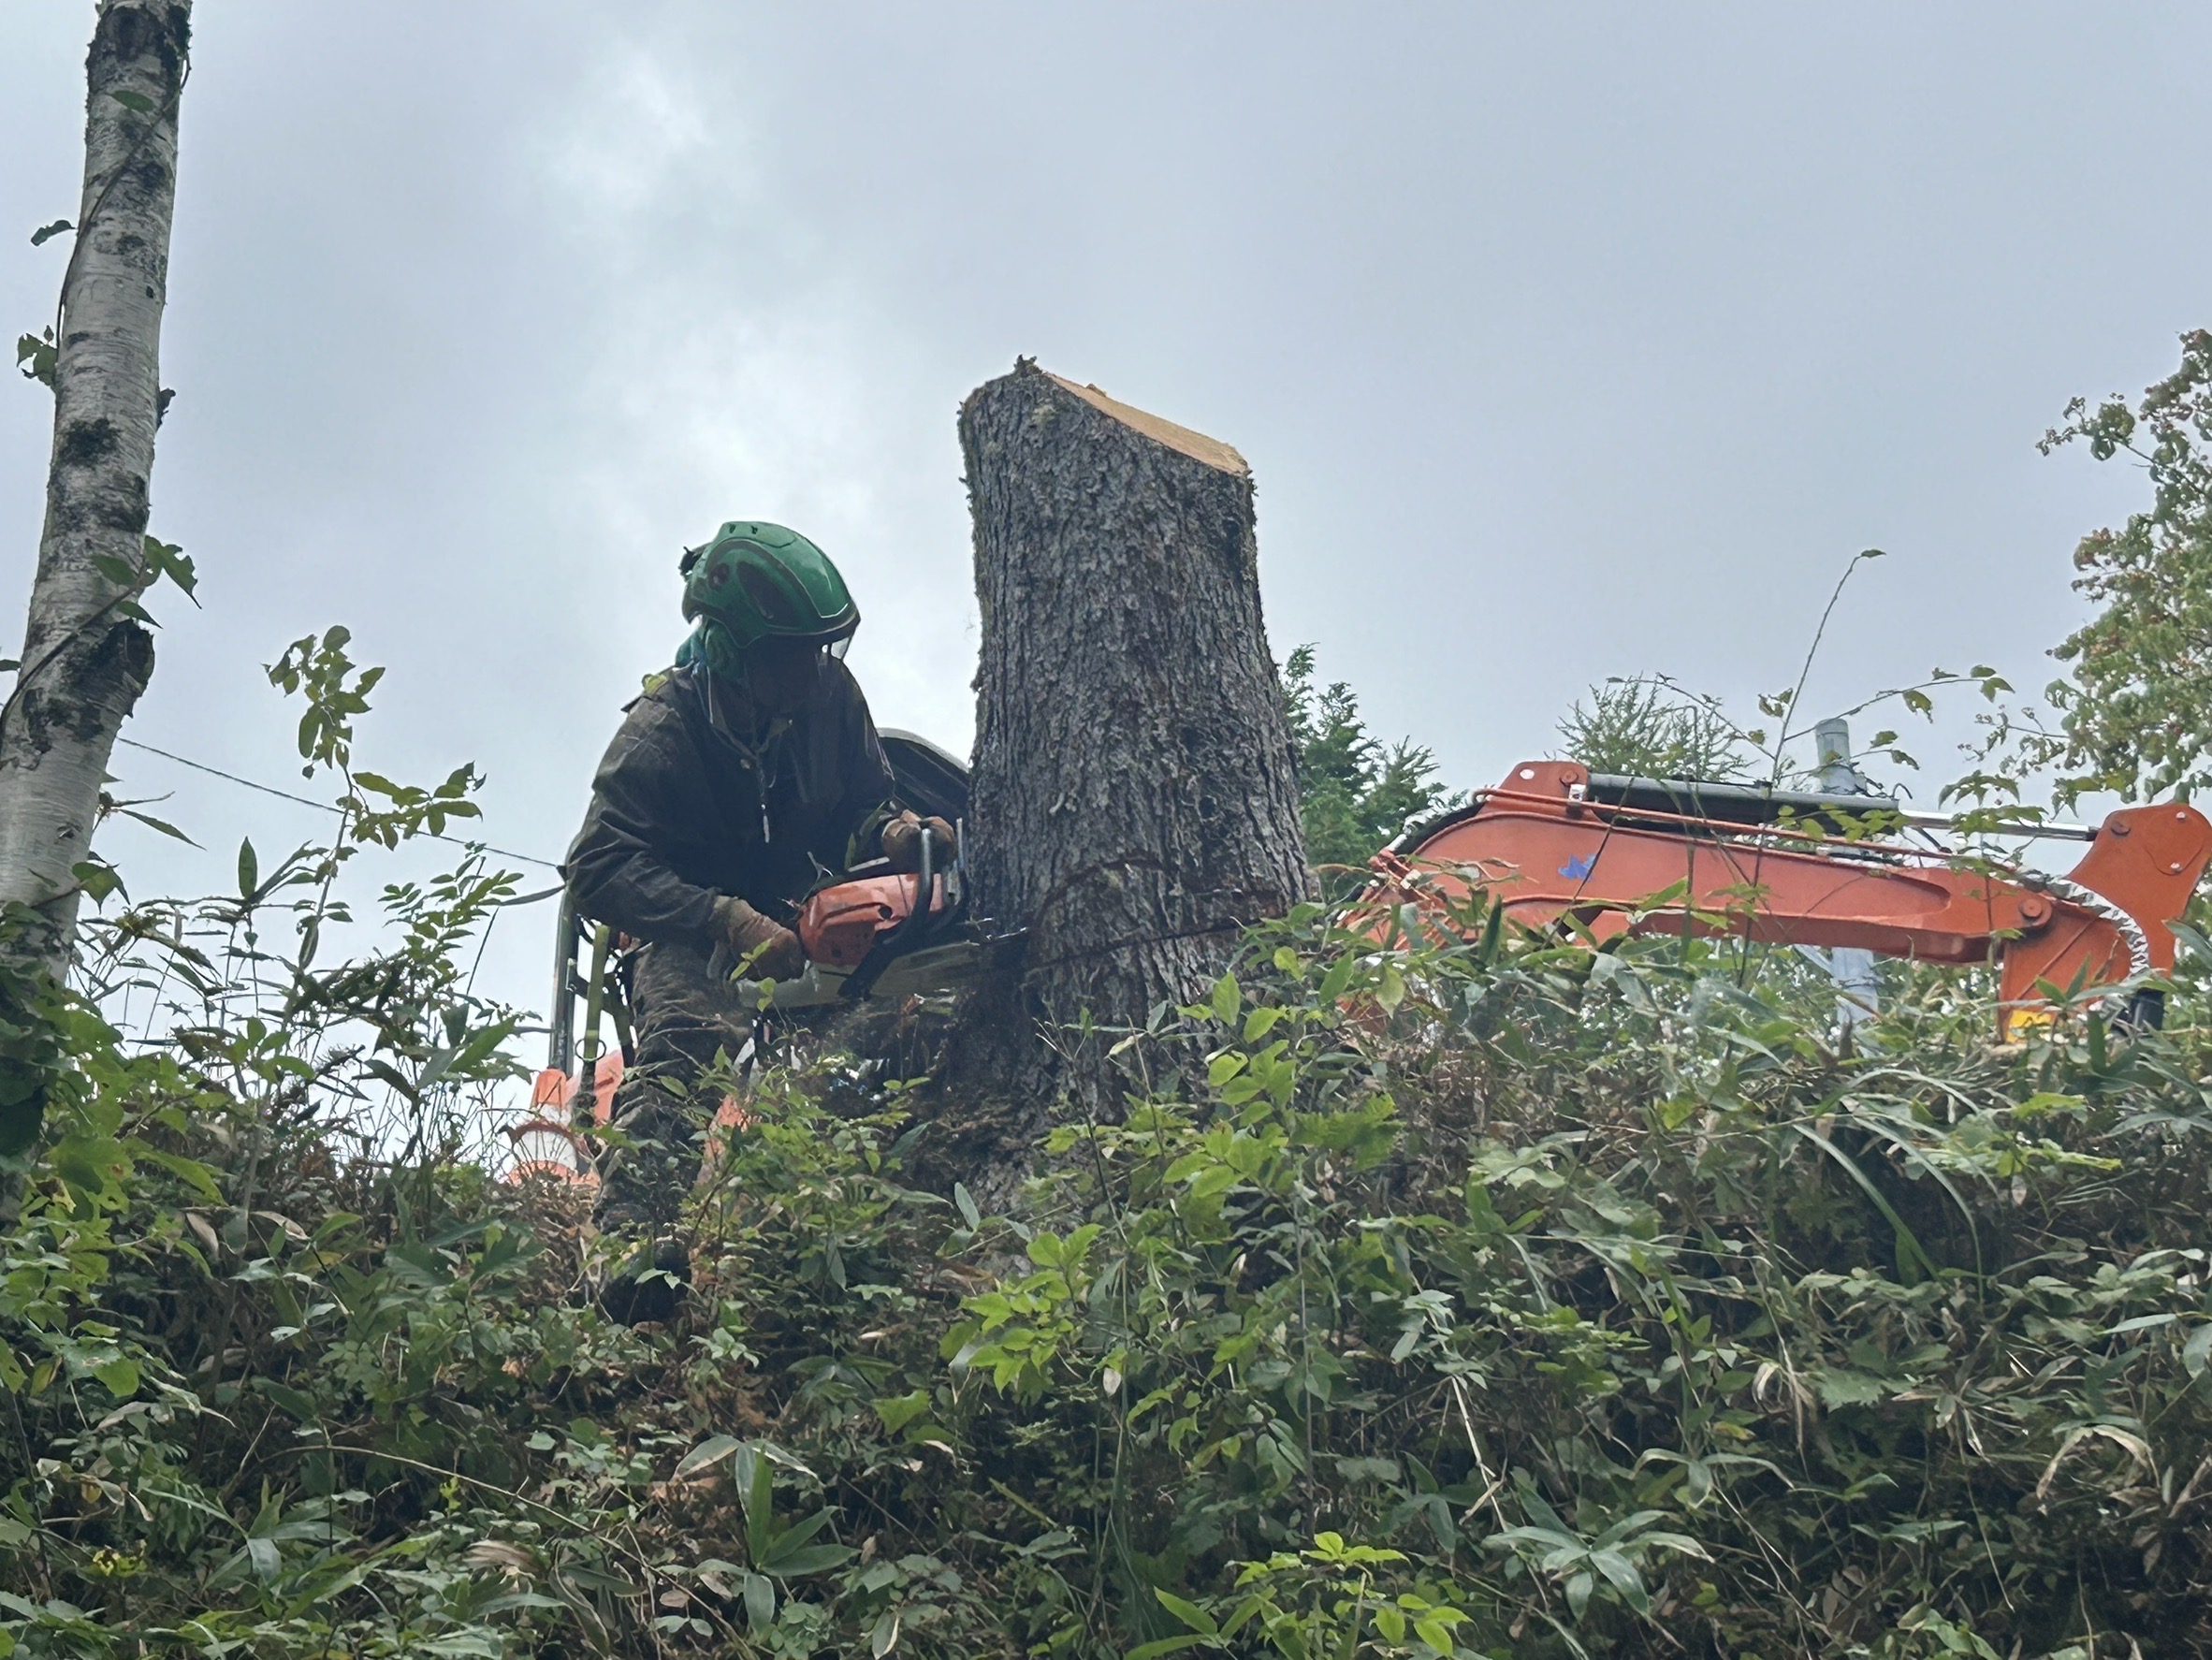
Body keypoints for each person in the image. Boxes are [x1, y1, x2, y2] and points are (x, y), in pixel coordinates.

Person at [562, 520, 951, 1322]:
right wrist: (721, 918)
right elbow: (597, 866)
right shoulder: (664, 730)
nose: (813, 670)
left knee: (890, 1023)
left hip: (807, 909)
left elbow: (863, 797)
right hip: (688, 924)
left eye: (822, 650)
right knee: (688, 1050)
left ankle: (853, 1221)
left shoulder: (830, 699)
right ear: (741, 653)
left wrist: (891, 830)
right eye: (793, 654)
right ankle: (627, 1247)